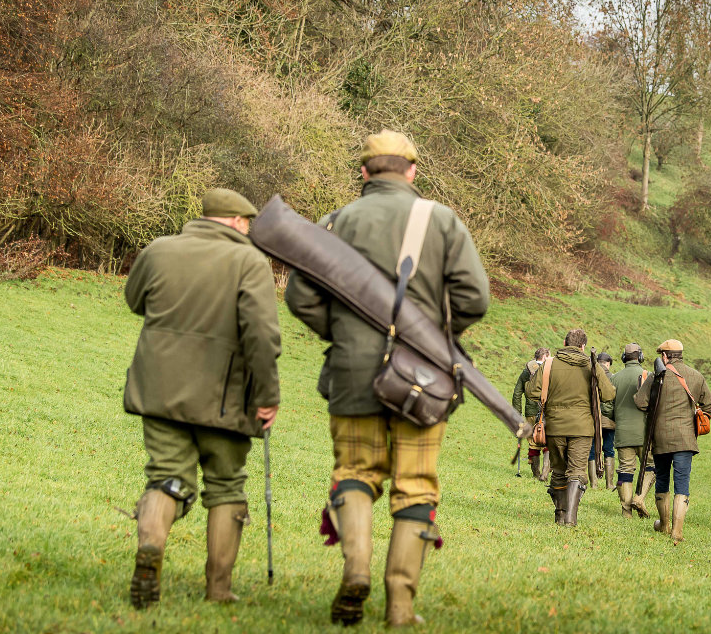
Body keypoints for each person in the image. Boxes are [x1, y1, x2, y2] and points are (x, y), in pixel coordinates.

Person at [285, 130, 490, 627]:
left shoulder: (335, 222)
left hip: (353, 373)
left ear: (364, 172)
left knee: (355, 472)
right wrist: (434, 336)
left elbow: (300, 296)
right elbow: (474, 298)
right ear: (412, 171)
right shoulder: (439, 220)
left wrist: (345, 333)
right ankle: (400, 607)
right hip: (424, 380)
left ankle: (356, 569)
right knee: (416, 486)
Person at [122, 188, 281, 609]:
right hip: (225, 398)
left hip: (159, 390)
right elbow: (263, 336)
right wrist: (267, 396)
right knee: (226, 486)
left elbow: (135, 300)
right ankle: (218, 589)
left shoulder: (159, 250)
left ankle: (151, 547)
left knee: (166, 477)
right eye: (246, 222)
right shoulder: (249, 262)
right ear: (232, 221)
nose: (248, 229)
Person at [524, 329, 614, 527]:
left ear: (564, 343)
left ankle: (559, 515)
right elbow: (608, 394)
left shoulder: (549, 364)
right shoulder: (592, 365)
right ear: (583, 346)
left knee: (558, 471)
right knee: (576, 472)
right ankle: (570, 519)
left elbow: (531, 392)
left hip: (555, 426)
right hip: (582, 428)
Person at [635, 339, 711, 545]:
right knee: (682, 483)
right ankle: (677, 531)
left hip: (660, 438)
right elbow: (709, 405)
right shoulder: (696, 376)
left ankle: (663, 524)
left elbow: (640, 402)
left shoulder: (656, 376)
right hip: (686, 439)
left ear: (664, 356)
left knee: (662, 478)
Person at [609, 343, 653, 518]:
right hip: (644, 433)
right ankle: (639, 498)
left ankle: (626, 511)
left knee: (625, 471)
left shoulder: (614, 378)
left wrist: (616, 417)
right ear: (640, 357)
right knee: (651, 466)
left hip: (622, 432)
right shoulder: (648, 376)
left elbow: (607, 406)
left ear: (623, 358)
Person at [512, 348, 550, 481]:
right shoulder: (549, 371)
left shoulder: (526, 372)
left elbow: (517, 394)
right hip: (547, 412)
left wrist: (517, 413)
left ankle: (536, 474)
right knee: (548, 441)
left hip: (530, 412)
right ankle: (544, 474)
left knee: (533, 442)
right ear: (545, 357)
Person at [589, 352, 617, 490]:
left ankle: (593, 484)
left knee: (591, 450)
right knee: (609, 450)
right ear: (607, 364)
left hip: (592, 420)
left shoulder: (589, 375)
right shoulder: (613, 377)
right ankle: (609, 483)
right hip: (609, 421)